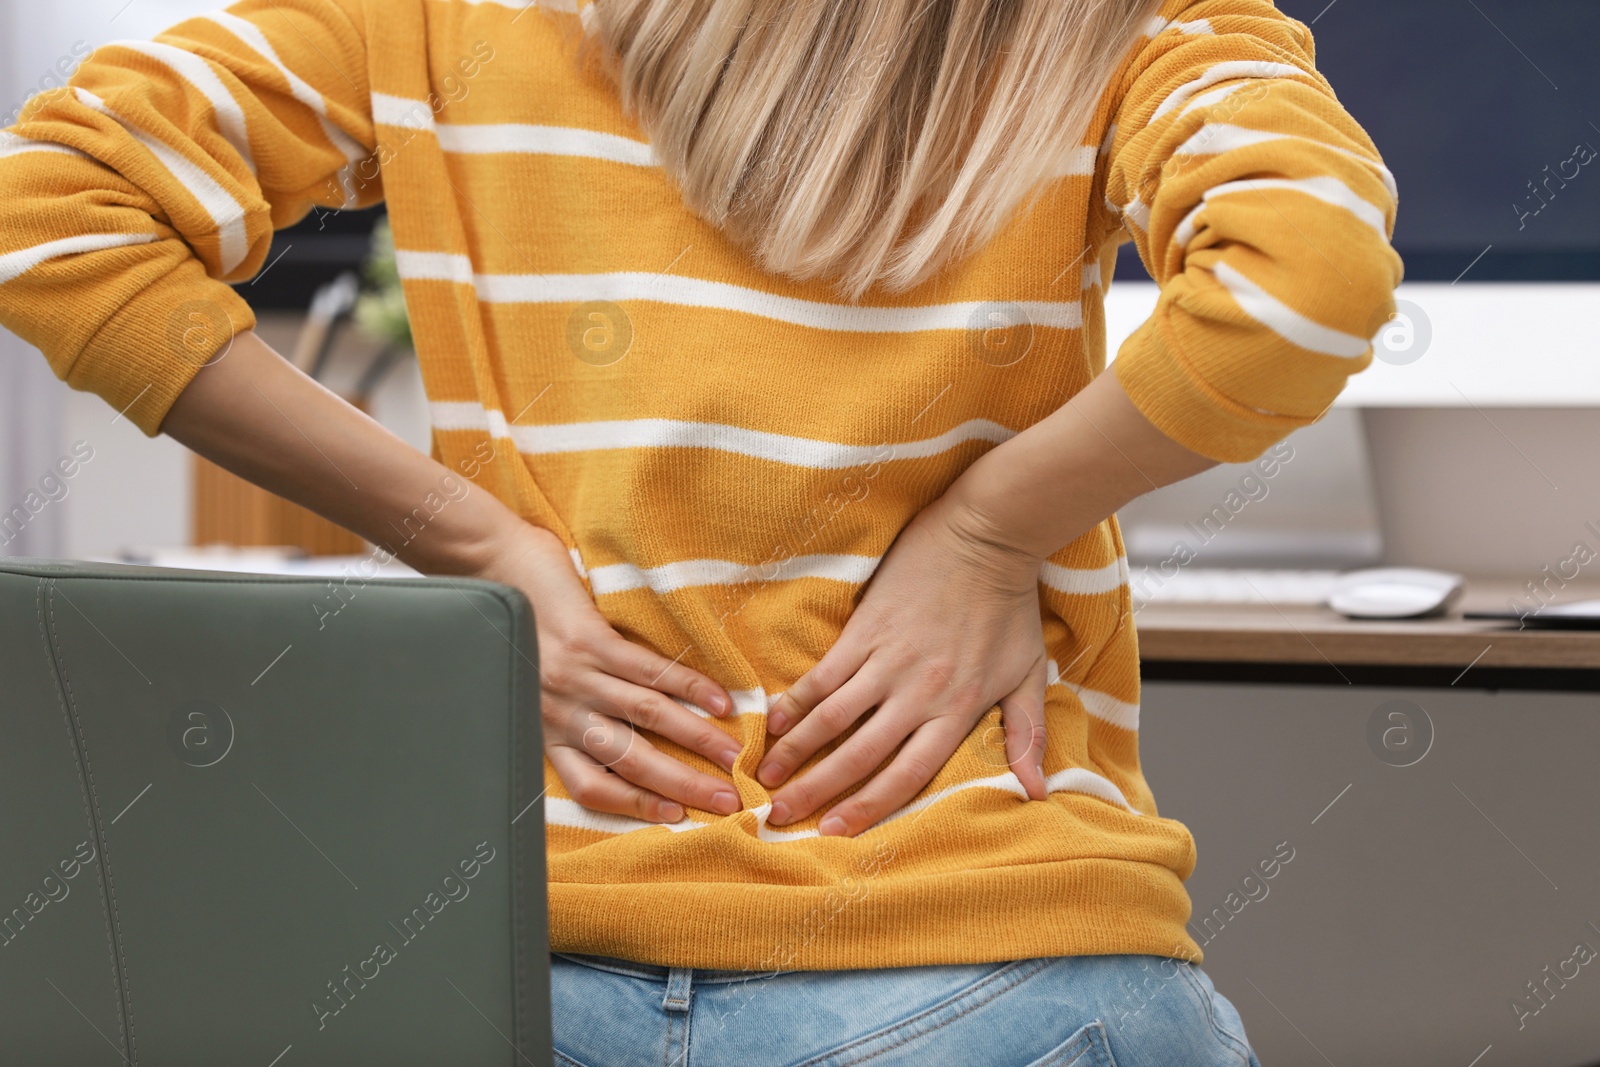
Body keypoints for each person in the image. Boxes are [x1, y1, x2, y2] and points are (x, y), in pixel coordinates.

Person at [0, 0, 1400, 1062]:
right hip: (1007, 971)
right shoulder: (1129, 25)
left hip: (514, 979)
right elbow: (1311, 273)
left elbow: (48, 212)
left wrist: (469, 543)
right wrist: (987, 533)